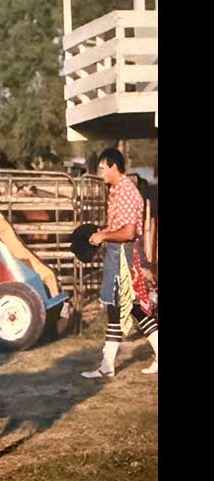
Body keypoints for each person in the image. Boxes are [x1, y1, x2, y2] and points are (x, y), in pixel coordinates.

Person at [81, 148, 158, 378]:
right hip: (119, 255)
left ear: (114, 166)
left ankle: (107, 366)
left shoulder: (126, 191)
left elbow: (128, 231)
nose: (101, 172)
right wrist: (102, 233)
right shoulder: (115, 190)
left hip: (125, 257)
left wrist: (103, 236)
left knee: (124, 306)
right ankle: (107, 365)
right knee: (127, 307)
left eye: (103, 168)